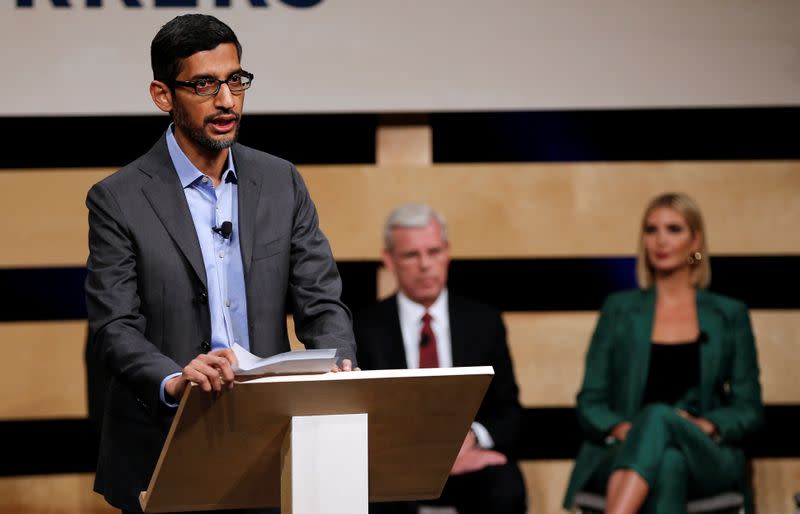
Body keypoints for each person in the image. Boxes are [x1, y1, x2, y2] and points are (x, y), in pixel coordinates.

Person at [85, 14, 356, 513]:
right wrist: (174, 379)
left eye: (236, 80)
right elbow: (114, 327)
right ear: (163, 95)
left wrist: (339, 369)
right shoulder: (118, 199)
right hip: (166, 442)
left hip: (272, 437)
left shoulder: (281, 182)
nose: (228, 101)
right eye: (205, 84)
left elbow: (321, 302)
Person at [562, 192, 764, 514]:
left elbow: (748, 408)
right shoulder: (619, 310)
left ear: (695, 240)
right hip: (626, 447)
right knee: (667, 458)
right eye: (651, 230)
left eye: (674, 229)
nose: (660, 241)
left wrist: (706, 425)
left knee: (659, 418)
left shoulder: (728, 314)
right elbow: (590, 401)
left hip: (705, 453)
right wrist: (629, 429)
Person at [353, 203, 527, 514]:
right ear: (389, 260)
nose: (425, 265)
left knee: (505, 485)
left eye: (433, 252)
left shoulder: (483, 322)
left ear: (447, 252)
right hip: (395, 465)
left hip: (467, 461)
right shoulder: (365, 327)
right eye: (411, 255)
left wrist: (472, 438)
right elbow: (358, 417)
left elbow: (509, 411)